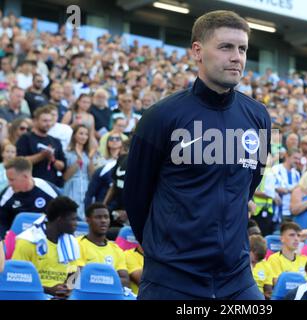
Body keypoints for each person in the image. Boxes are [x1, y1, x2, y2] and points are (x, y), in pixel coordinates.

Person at [124, 10, 271, 300]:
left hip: (236, 278)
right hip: (171, 278)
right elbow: (135, 196)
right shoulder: (161, 116)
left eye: (242, 49)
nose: (236, 57)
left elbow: (248, 186)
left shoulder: (258, 117)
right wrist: (165, 251)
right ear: (197, 51)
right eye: (225, 47)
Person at [12, 196, 82, 299]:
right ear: (60, 219)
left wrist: (66, 290)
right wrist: (48, 290)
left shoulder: (72, 243)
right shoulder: (28, 241)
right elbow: (17, 281)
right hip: (33, 296)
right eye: (73, 219)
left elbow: (74, 274)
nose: (76, 224)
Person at [0, 157, 59, 238]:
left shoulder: (47, 190)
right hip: (15, 242)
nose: (9, 183)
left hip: (45, 240)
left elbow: (66, 214)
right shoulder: (7, 194)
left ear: (25, 177)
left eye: (12, 180)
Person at [77, 203, 130, 288]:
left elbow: (125, 282)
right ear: (88, 220)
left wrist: (96, 278)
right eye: (98, 217)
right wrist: (110, 278)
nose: (103, 221)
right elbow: (78, 277)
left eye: (106, 217)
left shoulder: (116, 249)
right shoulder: (77, 244)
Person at [16, 105, 66, 188]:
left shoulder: (55, 141)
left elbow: (62, 166)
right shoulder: (26, 138)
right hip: (31, 185)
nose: (48, 124)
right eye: (45, 121)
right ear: (35, 121)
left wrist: (52, 159)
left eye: (50, 121)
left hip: (52, 185)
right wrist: (41, 156)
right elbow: (20, 162)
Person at [62, 125, 96, 220]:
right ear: (74, 135)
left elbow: (92, 176)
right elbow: (66, 177)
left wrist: (90, 158)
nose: (84, 137)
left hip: (85, 187)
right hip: (71, 187)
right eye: (81, 133)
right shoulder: (67, 153)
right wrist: (79, 158)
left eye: (86, 134)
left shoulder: (88, 154)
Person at [272, 148, 302, 222]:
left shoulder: (297, 174)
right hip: (279, 212)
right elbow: (269, 187)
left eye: (299, 159)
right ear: (287, 156)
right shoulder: (276, 169)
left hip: (292, 213)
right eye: (295, 158)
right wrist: (278, 190)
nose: (297, 161)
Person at [249, 234, 273, 299]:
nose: (255, 264)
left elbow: (268, 293)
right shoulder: (238, 265)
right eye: (254, 261)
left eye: (259, 261)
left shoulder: (266, 266)